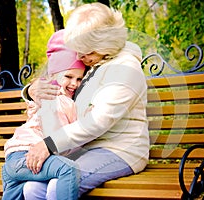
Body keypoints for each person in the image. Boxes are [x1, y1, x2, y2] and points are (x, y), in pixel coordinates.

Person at [22, 2, 150, 199]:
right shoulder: (96, 62)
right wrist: (30, 91)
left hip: (121, 151)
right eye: (78, 50)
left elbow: (97, 122)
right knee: (32, 188)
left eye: (87, 51)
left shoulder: (126, 69)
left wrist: (49, 144)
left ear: (105, 44)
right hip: (85, 149)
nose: (81, 57)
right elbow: (58, 86)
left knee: (59, 185)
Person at [1, 29, 86, 200]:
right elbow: (59, 139)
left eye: (79, 79)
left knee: (25, 191)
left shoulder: (45, 96)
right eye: (68, 76)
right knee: (68, 170)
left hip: (13, 160)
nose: (74, 84)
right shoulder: (60, 101)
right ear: (54, 74)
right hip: (26, 155)